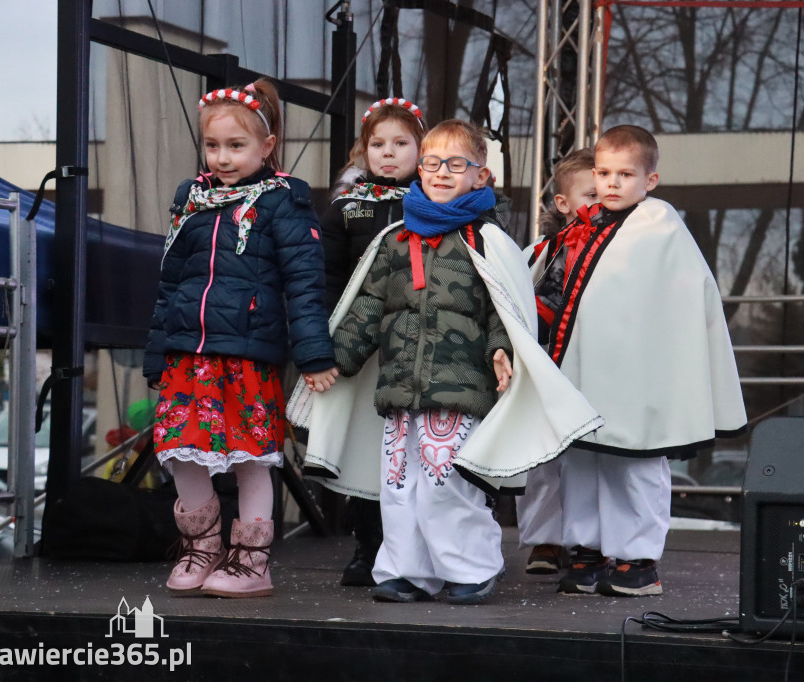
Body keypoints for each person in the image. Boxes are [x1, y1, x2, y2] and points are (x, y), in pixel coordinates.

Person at [289, 119, 602, 606]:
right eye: (432, 163)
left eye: (455, 165)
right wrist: (336, 361)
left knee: (446, 486)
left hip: (457, 389)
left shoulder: (486, 240)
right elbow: (369, 307)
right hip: (398, 390)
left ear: (480, 176)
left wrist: (504, 350)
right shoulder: (395, 240)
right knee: (398, 486)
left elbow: (506, 309)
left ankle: (469, 569)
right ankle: (407, 570)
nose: (440, 173)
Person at [528, 125, 747, 597]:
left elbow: (680, 301)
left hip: (638, 379)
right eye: (604, 172)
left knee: (637, 465)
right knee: (583, 462)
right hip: (585, 374)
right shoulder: (585, 227)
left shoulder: (659, 226)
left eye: (625, 174)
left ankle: (638, 558)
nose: (611, 183)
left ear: (650, 179)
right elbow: (560, 291)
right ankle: (585, 548)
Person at [143, 79, 337, 598]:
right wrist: (157, 350)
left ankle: (251, 560)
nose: (222, 157)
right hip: (188, 352)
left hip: (247, 353)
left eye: (236, 145)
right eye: (213, 145)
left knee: (251, 455)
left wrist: (314, 353)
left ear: (267, 147)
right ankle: (201, 546)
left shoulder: (283, 201)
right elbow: (170, 282)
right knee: (180, 448)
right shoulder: (193, 199)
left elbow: (304, 282)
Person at [319, 98, 427, 588]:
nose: (389, 154)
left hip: (422, 347)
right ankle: (368, 546)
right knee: (368, 447)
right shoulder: (346, 208)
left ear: (421, 148)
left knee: (420, 449)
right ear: (363, 151)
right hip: (365, 350)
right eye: (378, 144)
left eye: (401, 143)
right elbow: (328, 275)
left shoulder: (433, 203)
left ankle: (424, 546)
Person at [517, 149, 597, 575]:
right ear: (563, 204)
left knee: (587, 458)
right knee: (542, 458)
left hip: (593, 365)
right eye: (590, 193)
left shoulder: (620, 247)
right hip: (547, 364)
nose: (601, 200)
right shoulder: (540, 252)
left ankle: (590, 541)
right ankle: (545, 540)